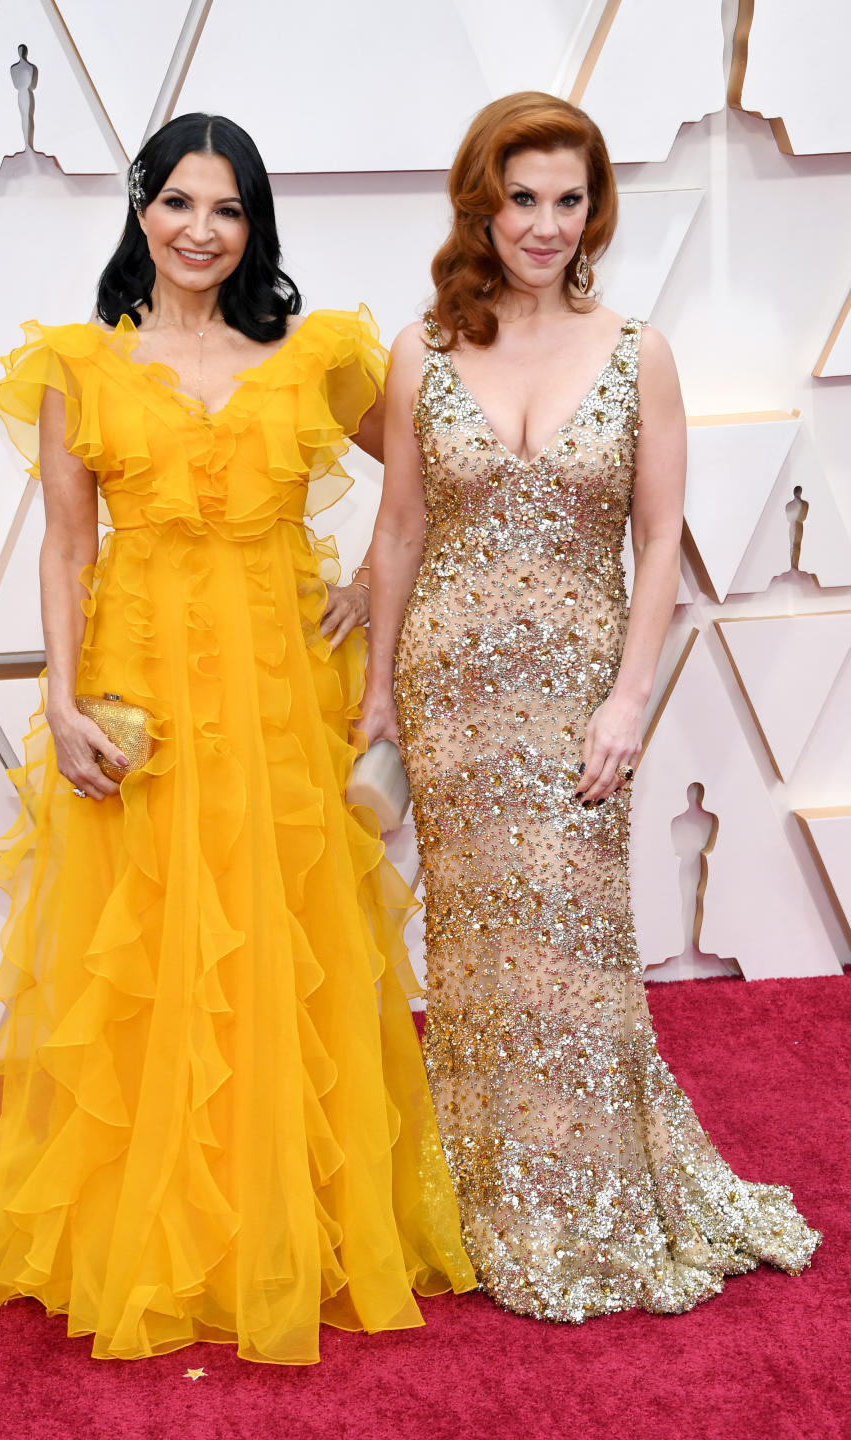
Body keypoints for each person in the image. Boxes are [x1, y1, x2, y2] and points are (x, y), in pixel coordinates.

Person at [0, 113, 475, 1363]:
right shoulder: (81, 365)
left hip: (284, 693)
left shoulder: (314, 358)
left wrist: (371, 588)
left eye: (225, 210)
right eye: (177, 203)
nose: (199, 232)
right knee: (148, 955)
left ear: (253, 225)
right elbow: (69, 546)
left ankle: (290, 1225)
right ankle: (153, 1233)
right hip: (143, 698)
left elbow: (426, 481)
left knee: (284, 944)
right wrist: (62, 702)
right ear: (140, 209)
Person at [360, 92, 820, 1321]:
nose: (547, 225)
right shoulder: (422, 351)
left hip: (576, 698)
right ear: (483, 202)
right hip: (452, 693)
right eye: (524, 199)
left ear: (594, 208)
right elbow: (399, 530)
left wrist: (632, 700)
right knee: (473, 954)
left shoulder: (637, 351)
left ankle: (602, 1195)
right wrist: (378, 701)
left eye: (569, 200)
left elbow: (660, 541)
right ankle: (485, 1190)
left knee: (574, 951)